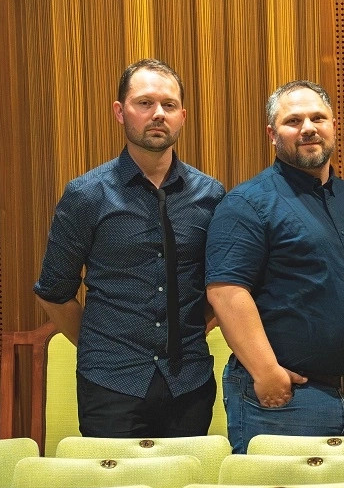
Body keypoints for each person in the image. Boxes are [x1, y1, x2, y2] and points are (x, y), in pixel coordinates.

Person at [205, 80, 344, 454]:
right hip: (287, 401)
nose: (308, 128)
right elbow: (227, 291)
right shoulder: (247, 203)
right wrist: (266, 373)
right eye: (293, 121)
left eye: (318, 118)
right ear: (272, 134)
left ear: (334, 126)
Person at [34, 59, 225, 438]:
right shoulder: (86, 195)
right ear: (120, 112)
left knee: (187, 478)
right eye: (145, 103)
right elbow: (54, 292)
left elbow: (221, 287)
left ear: (183, 116)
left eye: (169, 105)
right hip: (110, 383)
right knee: (112, 480)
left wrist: (186, 333)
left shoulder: (211, 195)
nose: (158, 114)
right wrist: (101, 346)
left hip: (189, 382)